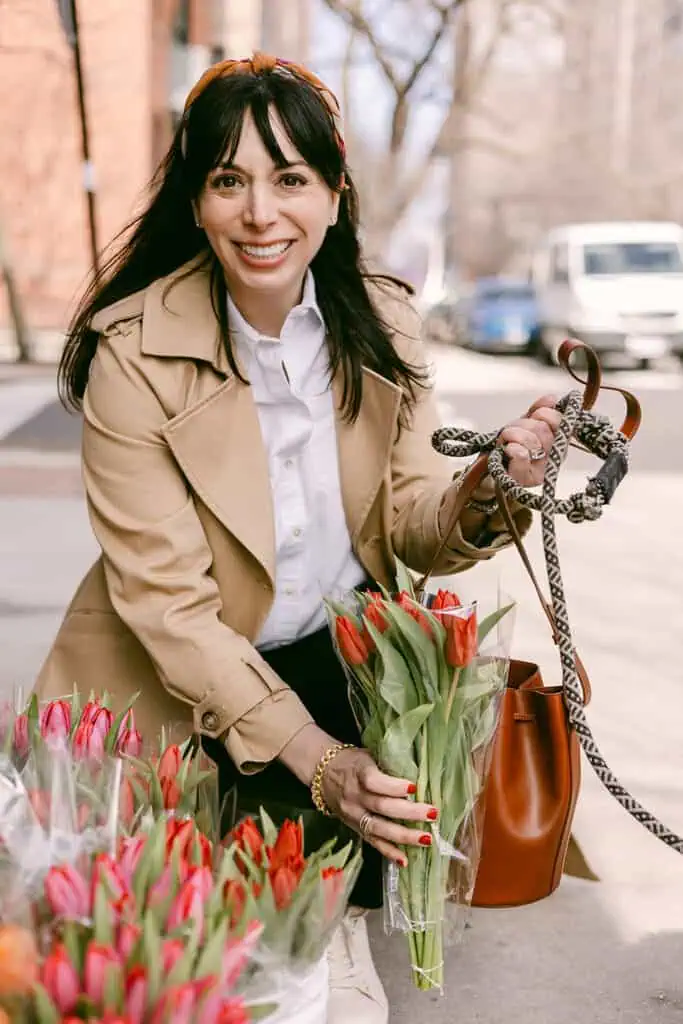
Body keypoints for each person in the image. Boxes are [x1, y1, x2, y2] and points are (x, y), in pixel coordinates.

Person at [35, 53, 563, 1023]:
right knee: (171, 973)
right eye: (227, 180)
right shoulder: (130, 353)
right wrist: (316, 759)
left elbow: (409, 519)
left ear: (332, 194)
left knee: (315, 969)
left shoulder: (383, 323)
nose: (259, 212)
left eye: (289, 179)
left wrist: (496, 483)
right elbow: (169, 607)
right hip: (173, 692)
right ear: (194, 203)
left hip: (333, 673)